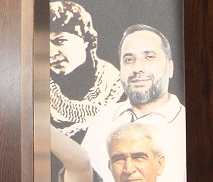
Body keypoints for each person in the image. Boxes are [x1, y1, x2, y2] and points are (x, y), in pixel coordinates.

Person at [79, 25, 186, 182]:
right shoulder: (102, 120)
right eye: (128, 59)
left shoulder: (187, 125)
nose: (137, 68)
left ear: (170, 68)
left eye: (149, 57)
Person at [50, 1, 124, 140]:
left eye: (59, 41)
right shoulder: (35, 92)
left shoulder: (120, 89)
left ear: (86, 39)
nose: (51, 53)